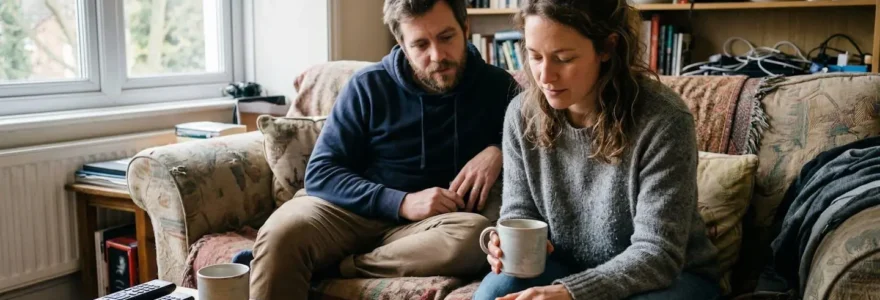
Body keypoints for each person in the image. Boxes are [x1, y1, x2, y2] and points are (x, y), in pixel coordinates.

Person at [247, 0, 519, 299]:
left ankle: (344, 266)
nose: (437, 55)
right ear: (401, 43)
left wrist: (499, 150)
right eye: (420, 44)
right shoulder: (368, 86)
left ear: (466, 28)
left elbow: (540, 140)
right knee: (281, 234)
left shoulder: (498, 88)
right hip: (350, 211)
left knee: (474, 238)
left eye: (446, 37)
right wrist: (402, 202)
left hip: (431, 229)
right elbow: (322, 173)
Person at [473, 0, 722, 299]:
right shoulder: (520, 114)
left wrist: (571, 292)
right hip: (566, 267)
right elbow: (520, 211)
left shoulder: (664, 120)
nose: (545, 76)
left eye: (563, 58)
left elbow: (658, 254)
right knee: (494, 292)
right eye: (535, 56)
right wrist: (504, 241)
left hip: (671, 278)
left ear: (607, 48)